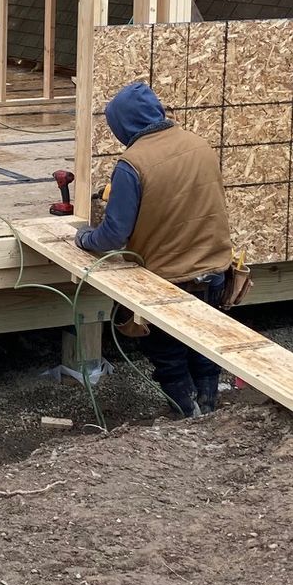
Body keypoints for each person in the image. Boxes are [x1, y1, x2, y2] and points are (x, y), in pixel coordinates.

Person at [75, 81, 235, 418]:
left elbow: (114, 236)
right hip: (216, 272)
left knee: (167, 352)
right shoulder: (199, 145)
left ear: (123, 125)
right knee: (205, 341)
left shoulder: (132, 164)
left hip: (169, 279)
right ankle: (208, 406)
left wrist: (85, 239)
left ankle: (185, 412)